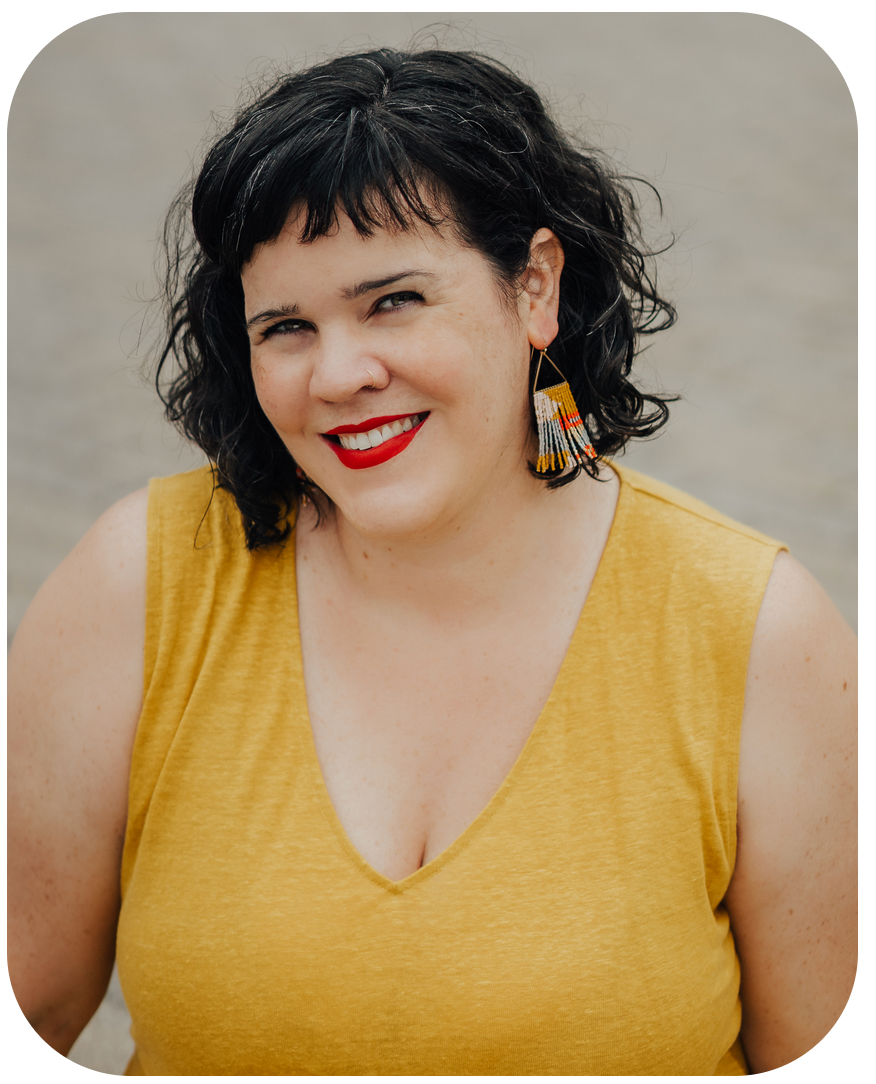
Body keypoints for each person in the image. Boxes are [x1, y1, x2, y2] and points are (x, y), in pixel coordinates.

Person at [8, 47, 856, 1075]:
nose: (340, 374)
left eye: (393, 301)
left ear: (535, 286)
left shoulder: (760, 630)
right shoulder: (135, 581)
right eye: (286, 326)